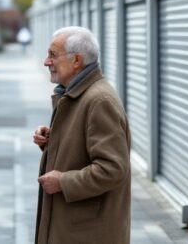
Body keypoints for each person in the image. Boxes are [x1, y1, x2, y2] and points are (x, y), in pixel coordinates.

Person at [33, 26, 131, 244]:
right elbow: (84, 145)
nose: (46, 62)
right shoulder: (79, 94)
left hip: (87, 232)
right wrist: (53, 139)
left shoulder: (98, 101)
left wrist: (63, 182)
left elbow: (112, 169)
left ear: (76, 60)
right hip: (76, 227)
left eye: (52, 55)